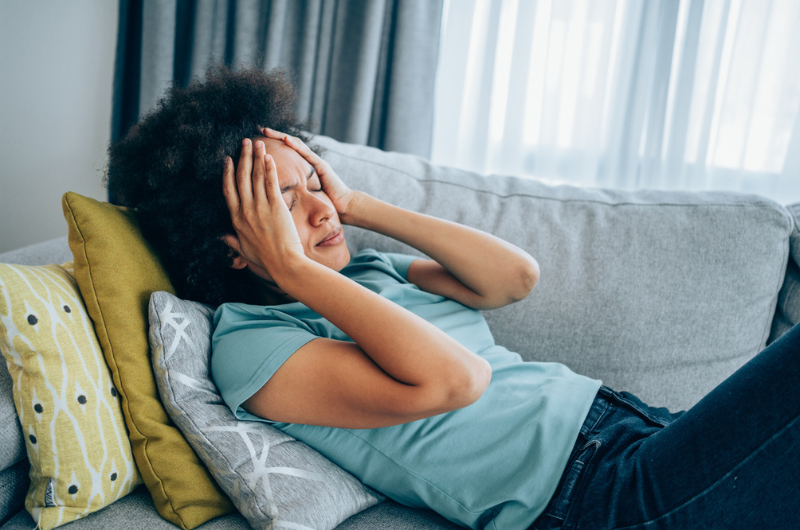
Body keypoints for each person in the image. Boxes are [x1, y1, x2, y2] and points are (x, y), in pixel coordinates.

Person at [108, 66, 800, 530]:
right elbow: (456, 380)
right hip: (599, 496)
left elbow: (513, 277)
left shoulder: (367, 274)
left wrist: (359, 203)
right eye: (288, 201)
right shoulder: (251, 347)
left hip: (637, 429)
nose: (322, 212)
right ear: (231, 244)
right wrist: (292, 272)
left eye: (315, 183)